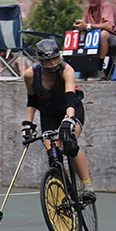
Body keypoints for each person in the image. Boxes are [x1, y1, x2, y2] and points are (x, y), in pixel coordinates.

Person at [21, 38, 96, 202]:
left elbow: (70, 98)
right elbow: (32, 100)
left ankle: (87, 187)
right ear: (40, 61)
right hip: (48, 113)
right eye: (47, 60)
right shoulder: (30, 74)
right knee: (53, 155)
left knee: (69, 142)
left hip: (70, 109)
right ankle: (68, 191)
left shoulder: (66, 70)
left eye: (54, 58)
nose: (52, 63)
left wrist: (69, 119)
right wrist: (28, 124)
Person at [73, 0, 116, 77]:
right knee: (79, 35)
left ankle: (99, 67)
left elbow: (109, 27)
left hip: (115, 39)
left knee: (102, 34)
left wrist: (87, 26)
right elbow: (84, 24)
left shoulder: (106, 5)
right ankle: (85, 69)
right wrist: (79, 25)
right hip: (95, 38)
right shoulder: (87, 9)